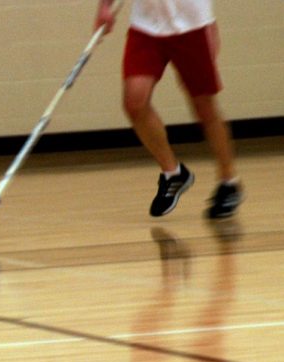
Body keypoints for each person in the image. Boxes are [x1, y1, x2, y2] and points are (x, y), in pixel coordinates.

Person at [95, 0, 243, 220]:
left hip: (192, 27)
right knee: (134, 103)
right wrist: (104, 7)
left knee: (204, 108)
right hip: (146, 27)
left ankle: (229, 182)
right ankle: (173, 173)